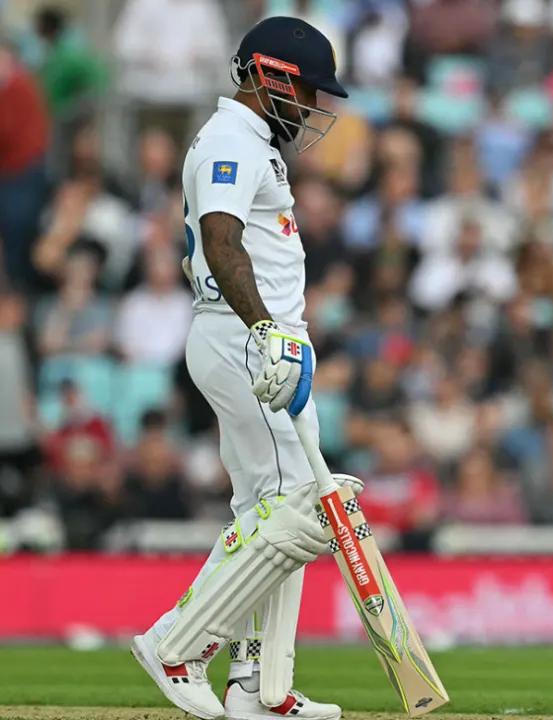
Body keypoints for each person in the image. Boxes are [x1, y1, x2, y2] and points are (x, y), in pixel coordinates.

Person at [128, 17, 351, 720]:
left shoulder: (251, 142)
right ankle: (177, 642)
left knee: (271, 515)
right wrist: (266, 333)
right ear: (268, 75)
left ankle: (261, 687)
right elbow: (222, 244)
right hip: (246, 340)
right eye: (308, 92)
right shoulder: (231, 138)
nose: (314, 109)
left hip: (260, 342)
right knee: (294, 509)